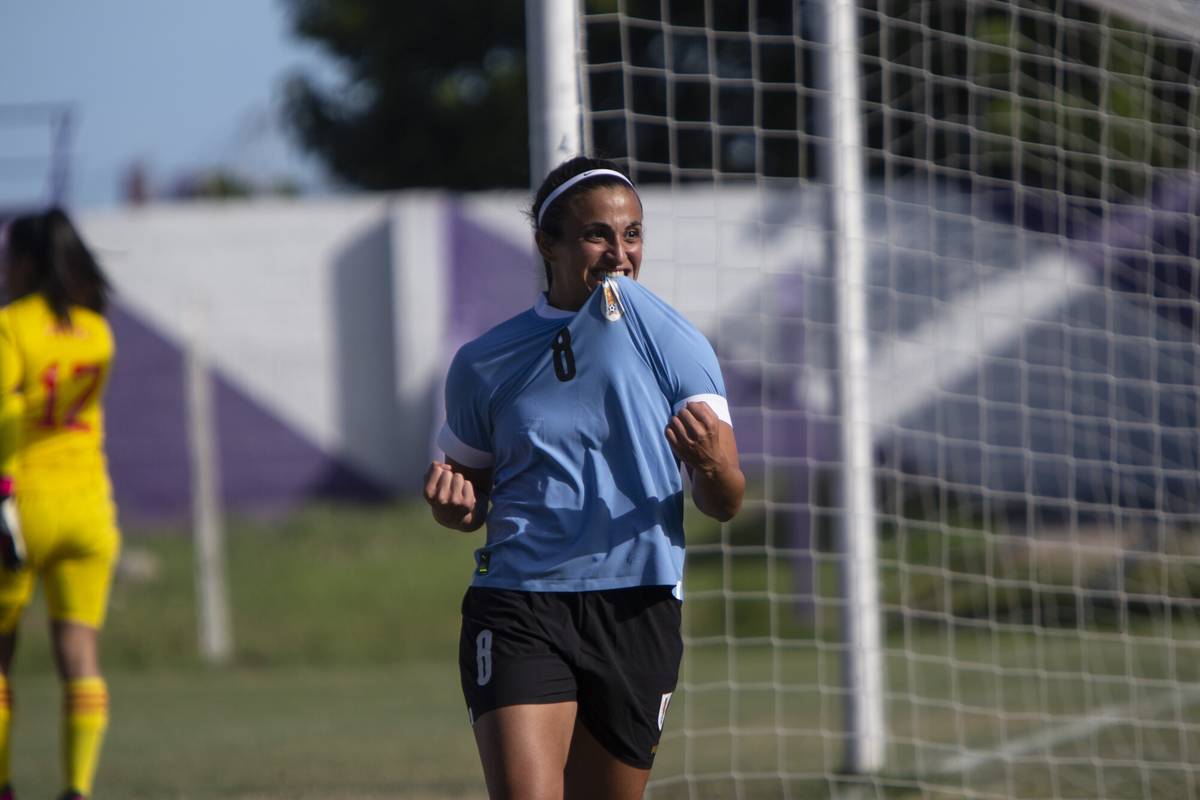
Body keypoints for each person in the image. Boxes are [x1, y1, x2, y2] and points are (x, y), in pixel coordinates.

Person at [424, 156, 745, 799]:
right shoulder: (483, 363)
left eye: (631, 235)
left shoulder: (676, 343)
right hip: (519, 602)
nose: (618, 254)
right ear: (549, 243)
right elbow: (465, 490)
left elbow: (725, 499)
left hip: (637, 605)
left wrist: (711, 466)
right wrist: (455, 506)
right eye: (598, 234)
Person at [0, 209, 118, 800]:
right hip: (89, 507)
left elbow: (2, 415)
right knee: (80, 654)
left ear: (23, 262)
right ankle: (77, 788)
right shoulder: (97, 330)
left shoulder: (12, 325)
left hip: (22, 505)